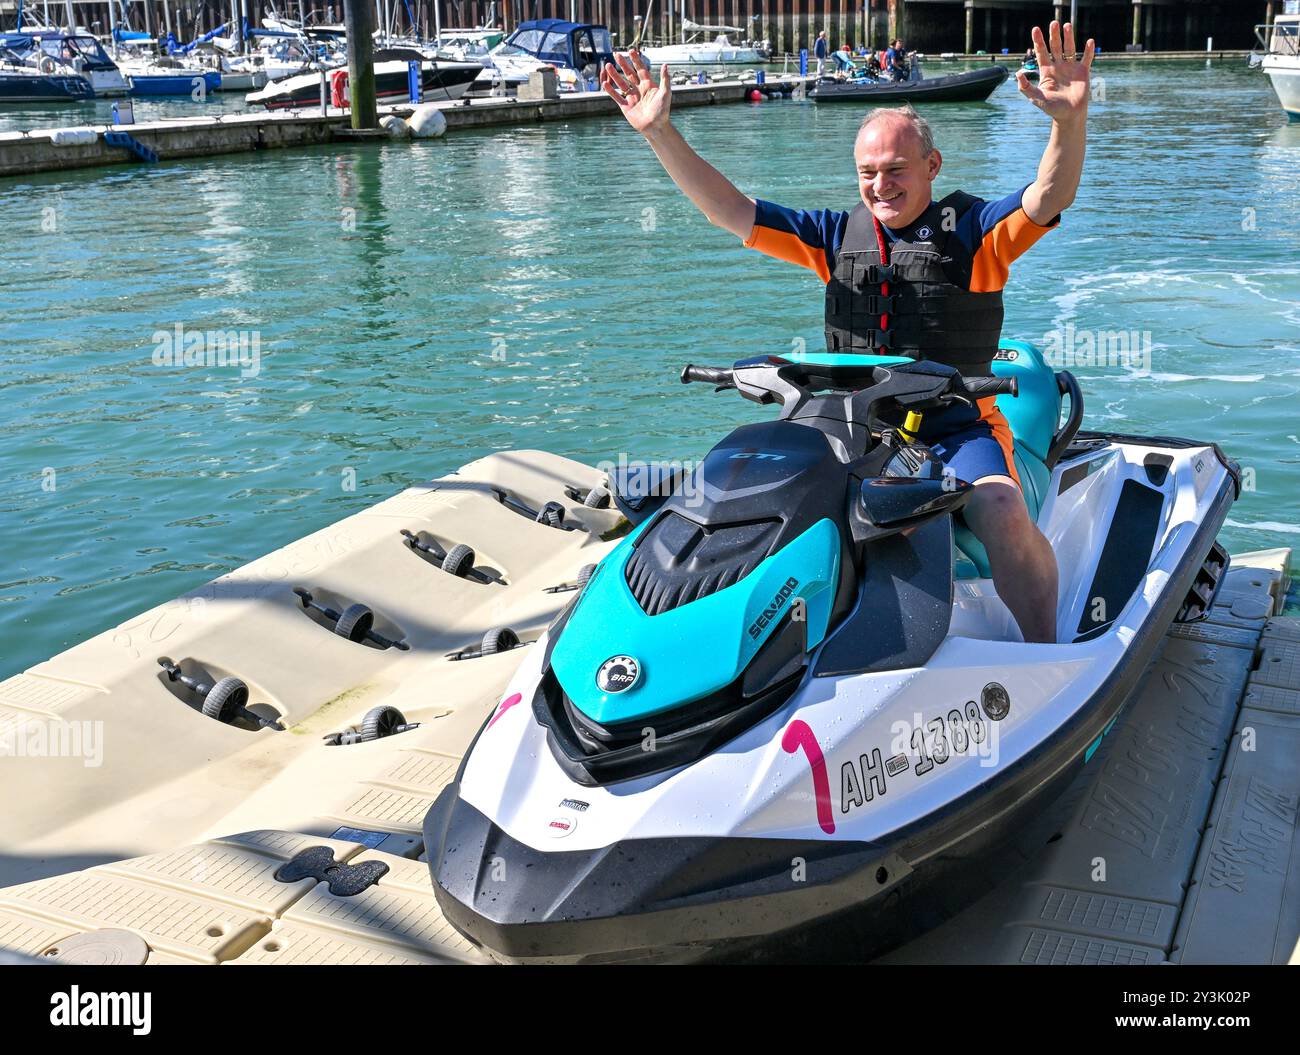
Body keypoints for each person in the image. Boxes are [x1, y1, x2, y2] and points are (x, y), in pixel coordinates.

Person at [600, 21, 1095, 644]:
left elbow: (1048, 195)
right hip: (849, 426)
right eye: (868, 172)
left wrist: (1067, 122)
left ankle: (1047, 651)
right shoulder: (834, 239)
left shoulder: (975, 233)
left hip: (956, 426)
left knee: (997, 507)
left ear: (931, 165)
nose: (880, 185)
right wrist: (660, 133)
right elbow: (730, 211)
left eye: (895, 169)